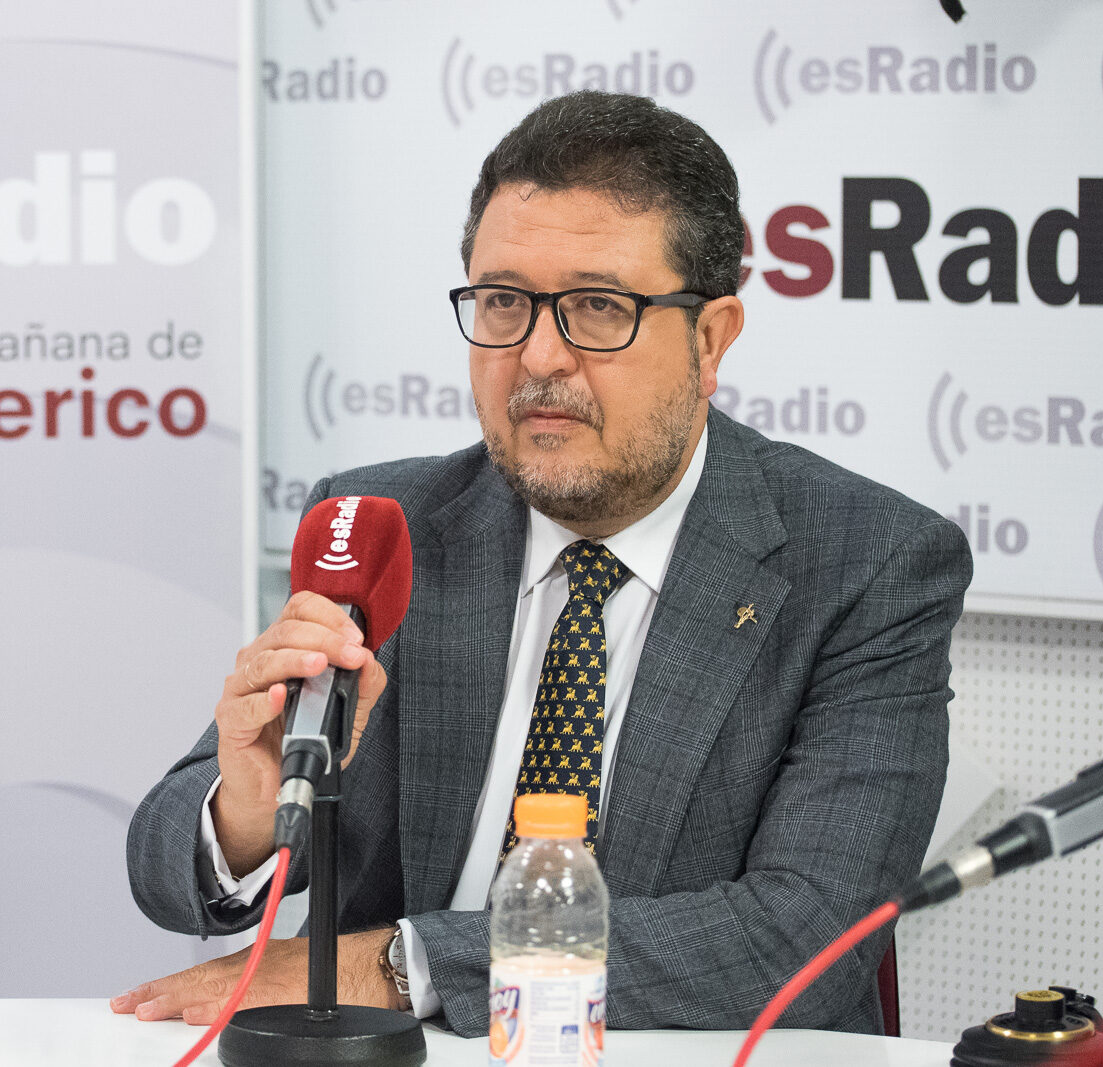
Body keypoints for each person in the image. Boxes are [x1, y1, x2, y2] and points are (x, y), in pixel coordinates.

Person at [112, 90, 972, 1039]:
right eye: (504, 302)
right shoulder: (382, 524)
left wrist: (406, 964)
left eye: (599, 307)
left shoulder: (866, 562)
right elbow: (161, 866)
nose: (539, 356)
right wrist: (248, 805)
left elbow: (805, 936)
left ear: (711, 337)